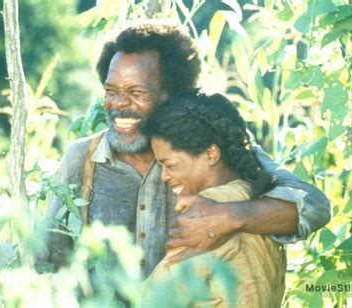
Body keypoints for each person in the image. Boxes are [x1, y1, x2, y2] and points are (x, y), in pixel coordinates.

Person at [40, 21, 331, 277]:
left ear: (173, 95)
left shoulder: (208, 151)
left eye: (136, 92)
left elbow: (314, 207)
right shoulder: (82, 159)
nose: (118, 104)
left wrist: (227, 216)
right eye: (111, 91)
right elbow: (47, 259)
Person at [143, 91, 286, 307]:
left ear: (211, 153)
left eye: (169, 165)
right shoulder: (258, 202)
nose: (163, 176)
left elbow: (152, 300)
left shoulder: (210, 212)